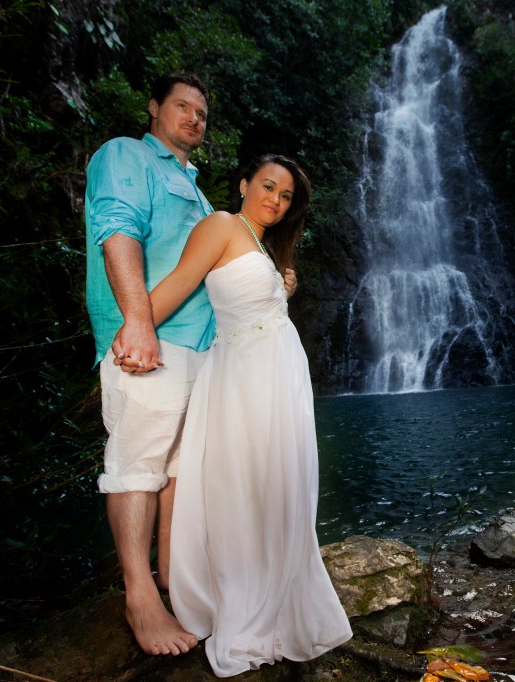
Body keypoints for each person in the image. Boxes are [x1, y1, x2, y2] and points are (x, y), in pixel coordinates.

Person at [85, 73, 299, 656]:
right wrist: (137, 322)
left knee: (182, 469)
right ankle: (139, 598)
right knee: (138, 464)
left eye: (202, 113)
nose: (194, 118)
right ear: (153, 108)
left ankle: (170, 581)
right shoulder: (126, 156)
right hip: (152, 337)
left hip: (205, 350)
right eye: (182, 106)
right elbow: (117, 229)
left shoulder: (200, 195)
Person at [149, 154, 353, 677]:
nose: (276, 200)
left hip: (279, 377)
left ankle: (278, 592)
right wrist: (134, 327)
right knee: (243, 483)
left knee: (277, 482)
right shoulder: (221, 225)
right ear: (243, 184)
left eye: (285, 197)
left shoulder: (264, 247)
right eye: (268, 186)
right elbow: (180, 282)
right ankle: (242, 598)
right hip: (245, 375)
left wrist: (282, 288)